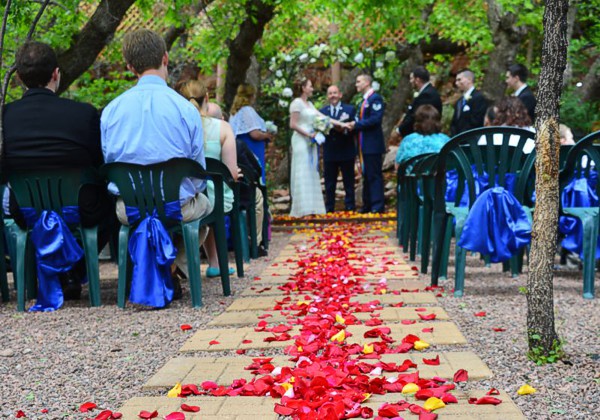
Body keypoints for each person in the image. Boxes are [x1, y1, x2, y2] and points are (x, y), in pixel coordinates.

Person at [101, 29, 212, 303]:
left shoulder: (111, 111)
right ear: (165, 57)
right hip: (178, 207)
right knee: (204, 212)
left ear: (129, 67)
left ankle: (158, 267)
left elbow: (110, 167)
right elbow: (197, 173)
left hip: (131, 209)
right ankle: (171, 264)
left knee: (129, 212)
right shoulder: (185, 109)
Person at [2, 41, 114, 302]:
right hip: (80, 207)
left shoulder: (4, 117)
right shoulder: (83, 113)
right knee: (110, 207)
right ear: (56, 73)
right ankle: (74, 269)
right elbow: (99, 163)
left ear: (18, 78)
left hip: (27, 210)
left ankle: (57, 273)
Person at [179, 80, 238, 278]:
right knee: (213, 191)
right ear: (207, 98)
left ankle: (208, 261)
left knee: (202, 192)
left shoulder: (178, 128)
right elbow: (230, 172)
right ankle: (215, 262)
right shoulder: (223, 128)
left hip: (184, 195)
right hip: (216, 197)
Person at [207, 102, 267, 256]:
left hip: (202, 194)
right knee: (258, 197)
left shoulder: (193, 141)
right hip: (235, 196)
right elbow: (255, 170)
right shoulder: (237, 144)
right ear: (222, 119)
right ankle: (256, 241)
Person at [288, 78, 347, 217]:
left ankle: (313, 207)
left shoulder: (309, 104)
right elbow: (293, 124)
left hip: (311, 140)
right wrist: (309, 134)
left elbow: (323, 117)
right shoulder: (296, 103)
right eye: (310, 86)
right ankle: (302, 208)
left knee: (312, 170)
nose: (312, 88)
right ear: (303, 88)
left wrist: (342, 124)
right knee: (303, 170)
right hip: (302, 140)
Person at [348, 74, 386, 214]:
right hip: (363, 145)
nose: (356, 84)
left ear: (367, 82)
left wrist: (356, 124)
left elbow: (375, 120)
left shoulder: (375, 99)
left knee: (374, 174)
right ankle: (367, 204)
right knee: (366, 174)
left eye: (358, 82)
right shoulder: (362, 101)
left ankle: (377, 205)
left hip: (372, 145)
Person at [319, 85, 357, 213]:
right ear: (327, 96)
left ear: (340, 94)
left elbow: (355, 129)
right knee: (329, 182)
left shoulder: (350, 109)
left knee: (349, 180)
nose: (333, 96)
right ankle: (329, 207)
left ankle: (350, 206)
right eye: (330, 93)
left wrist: (344, 130)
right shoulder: (322, 112)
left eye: (335, 93)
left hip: (346, 149)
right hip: (330, 150)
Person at [229, 84, 274, 183]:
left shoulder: (235, 111)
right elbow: (254, 134)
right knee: (254, 171)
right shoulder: (247, 110)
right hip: (251, 148)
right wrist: (266, 135)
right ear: (251, 96)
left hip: (239, 147)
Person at [396, 66, 443, 137]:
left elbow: (415, 116)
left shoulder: (427, 95)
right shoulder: (427, 92)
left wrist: (400, 130)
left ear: (417, 80)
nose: (410, 81)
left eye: (411, 78)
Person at [450, 69, 487, 136]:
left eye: (459, 80)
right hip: (456, 139)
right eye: (456, 80)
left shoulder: (479, 98)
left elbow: (477, 121)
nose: (456, 83)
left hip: (471, 137)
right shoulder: (460, 100)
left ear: (469, 79)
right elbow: (454, 121)